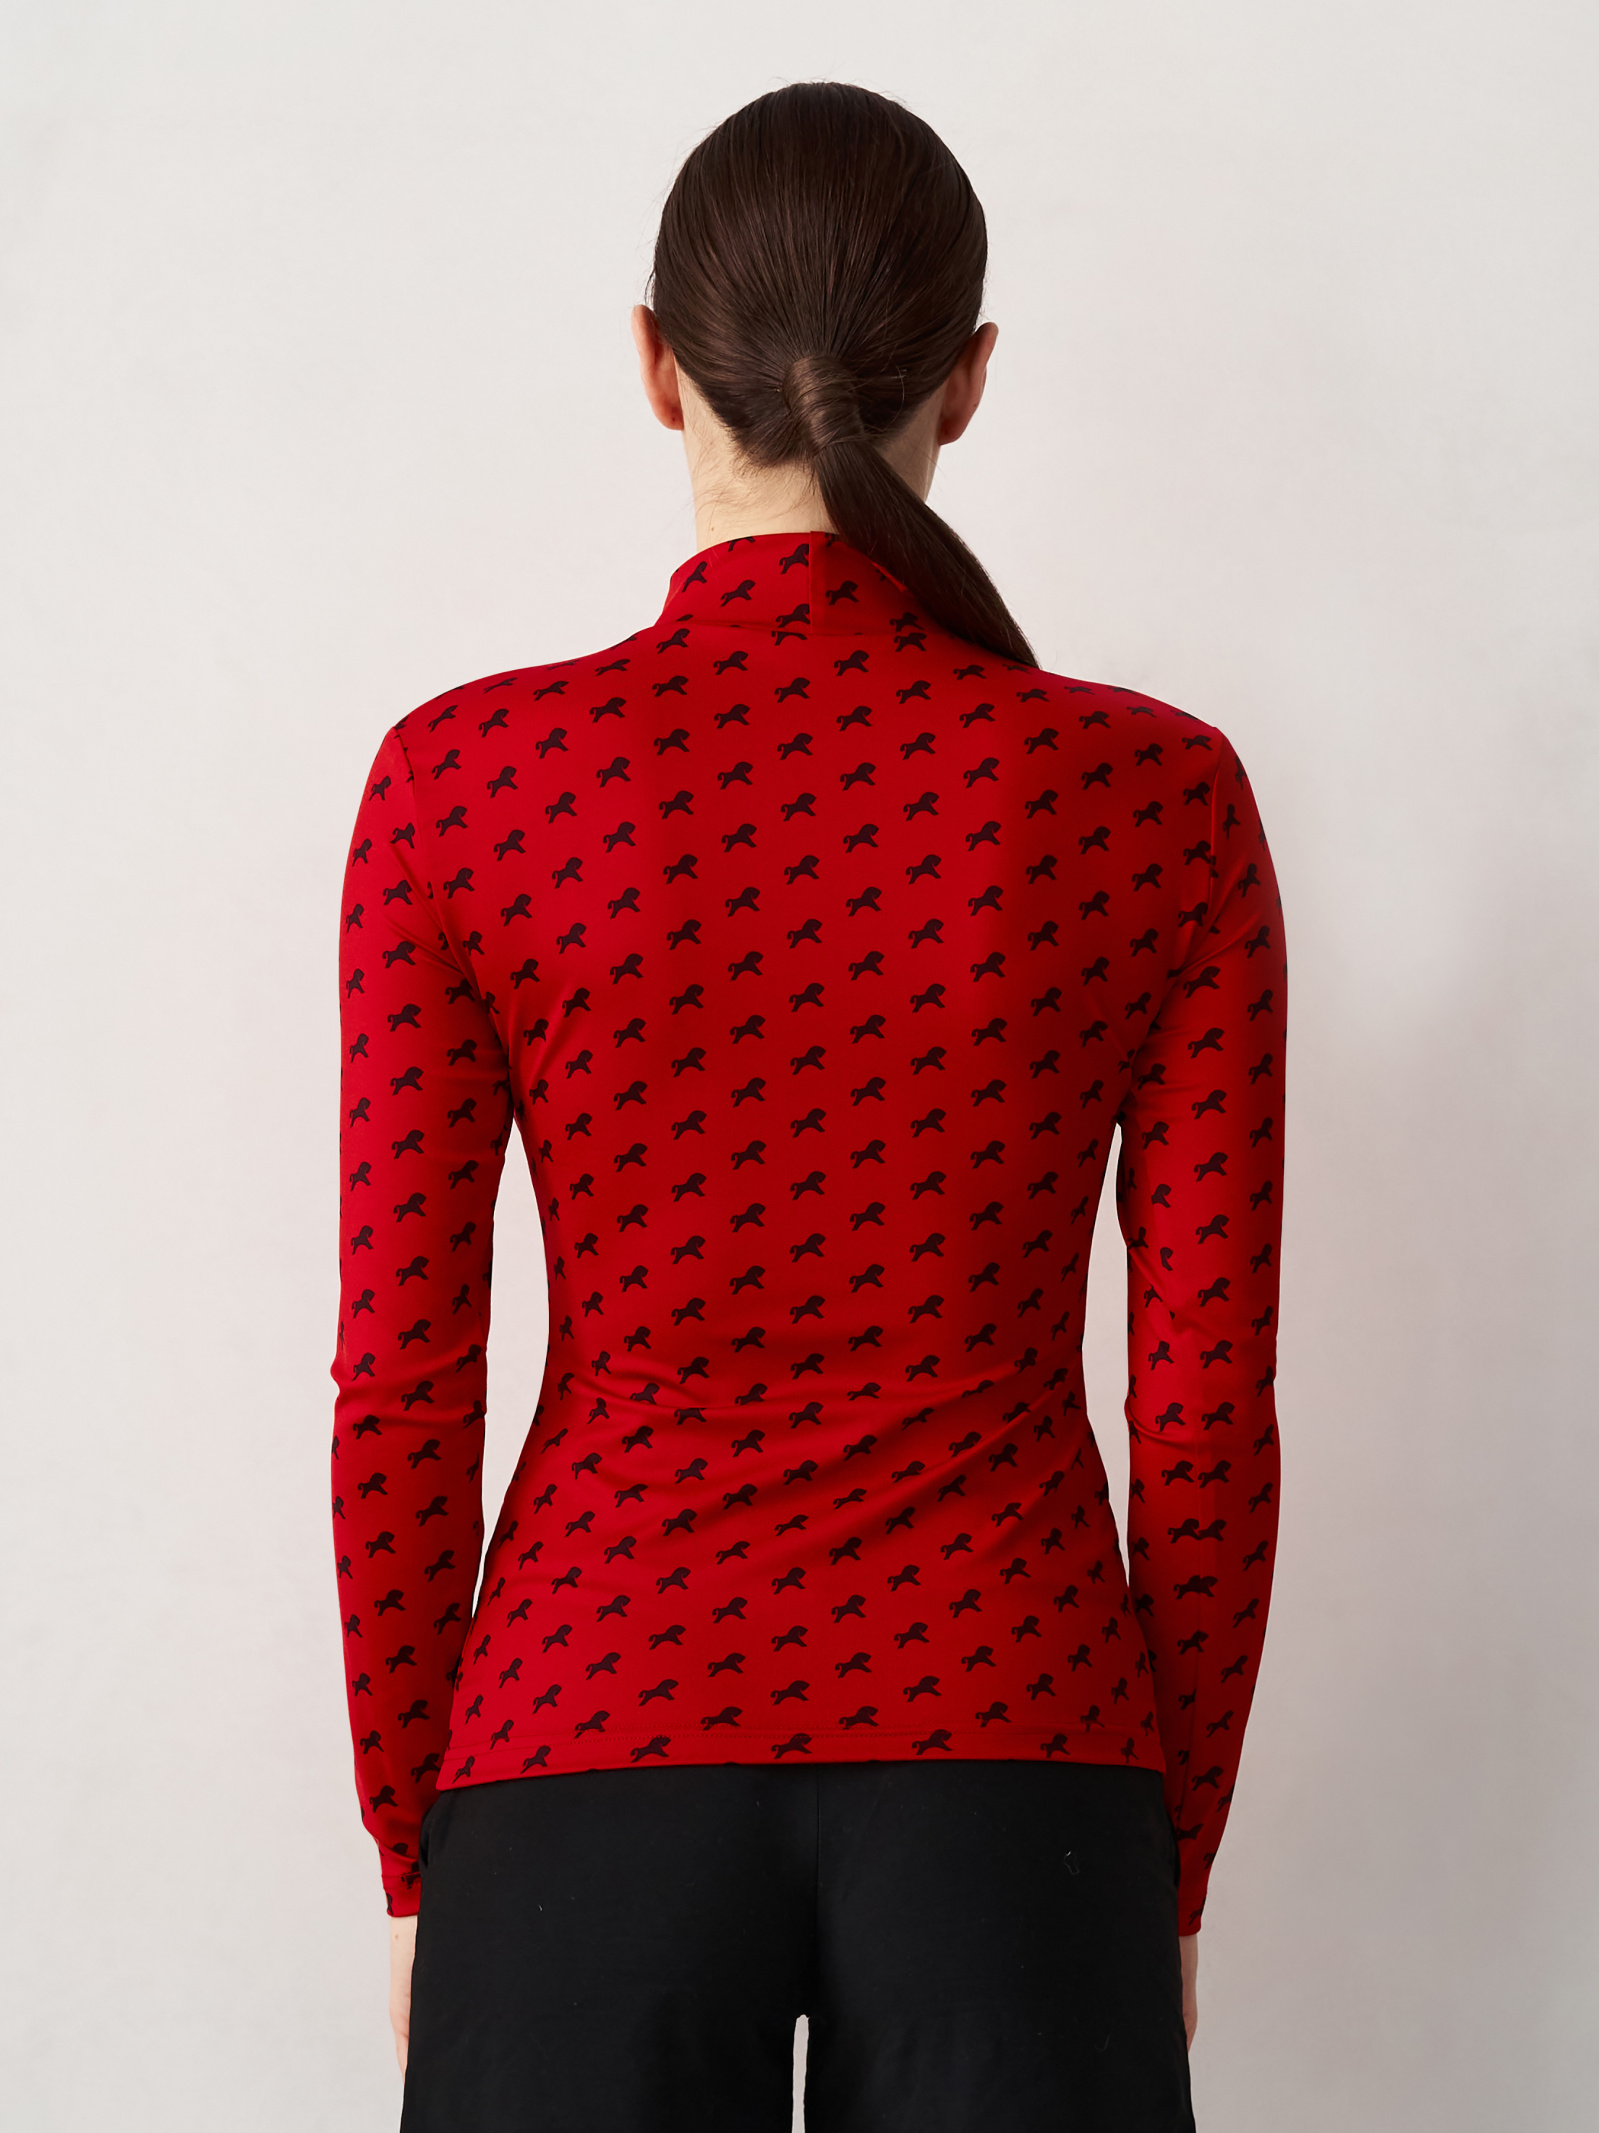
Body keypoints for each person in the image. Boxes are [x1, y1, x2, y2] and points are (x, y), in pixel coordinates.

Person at [331, 80, 1286, 2133]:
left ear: (654, 363)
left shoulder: (465, 785)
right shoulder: (1154, 796)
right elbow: (1203, 1412)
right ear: (969, 378)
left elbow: (402, 1379)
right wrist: (1170, 1854)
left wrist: (419, 1844)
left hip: (582, 1721)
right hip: (1020, 1737)